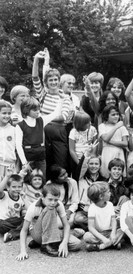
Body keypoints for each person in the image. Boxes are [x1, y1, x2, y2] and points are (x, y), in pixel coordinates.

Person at [32, 48, 73, 177]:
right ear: (46, 82)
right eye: (51, 80)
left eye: (56, 80)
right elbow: (35, 77)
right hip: (43, 133)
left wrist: (43, 117)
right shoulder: (42, 93)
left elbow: (63, 118)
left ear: (59, 81)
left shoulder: (65, 97)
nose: (54, 82)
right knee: (45, 162)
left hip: (59, 133)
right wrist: (36, 59)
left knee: (60, 163)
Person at [16, 184, 82, 260]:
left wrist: (64, 243)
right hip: (37, 233)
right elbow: (24, 230)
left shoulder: (59, 204)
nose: (53, 202)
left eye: (56, 200)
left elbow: (66, 225)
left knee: (77, 244)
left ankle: (43, 243)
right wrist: (23, 251)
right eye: (50, 199)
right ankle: (45, 245)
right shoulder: (33, 207)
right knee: (50, 209)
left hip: (52, 231)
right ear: (42, 197)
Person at [16, 97, 64, 178]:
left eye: (39, 109)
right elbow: (18, 145)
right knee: (28, 181)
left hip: (41, 157)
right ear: (26, 110)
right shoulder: (20, 125)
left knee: (42, 180)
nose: (38, 112)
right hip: (28, 158)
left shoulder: (41, 120)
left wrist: (61, 100)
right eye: (35, 110)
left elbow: (56, 113)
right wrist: (24, 163)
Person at [83, 181, 123, 251]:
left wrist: (113, 233)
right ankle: (112, 244)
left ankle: (100, 246)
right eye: (108, 192)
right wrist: (103, 238)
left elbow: (113, 221)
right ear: (101, 196)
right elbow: (91, 228)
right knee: (87, 236)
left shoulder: (110, 204)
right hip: (98, 233)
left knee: (122, 230)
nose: (110, 193)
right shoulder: (92, 208)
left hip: (109, 232)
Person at [74, 148, 106, 231]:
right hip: (83, 210)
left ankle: (91, 228)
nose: (93, 166)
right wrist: (86, 154)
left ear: (100, 166)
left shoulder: (103, 180)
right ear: (87, 165)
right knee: (78, 219)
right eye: (91, 163)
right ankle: (96, 227)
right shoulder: (81, 177)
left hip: (98, 209)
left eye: (96, 164)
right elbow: (81, 167)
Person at [98, 105, 128, 178]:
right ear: (106, 116)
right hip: (107, 152)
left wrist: (109, 142)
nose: (116, 116)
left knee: (118, 173)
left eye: (117, 114)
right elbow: (105, 138)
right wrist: (116, 127)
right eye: (113, 115)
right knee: (106, 174)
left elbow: (125, 143)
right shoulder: (102, 126)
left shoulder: (122, 127)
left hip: (118, 152)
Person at [68, 111, 97, 181]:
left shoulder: (92, 129)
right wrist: (79, 164)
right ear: (80, 124)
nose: (90, 123)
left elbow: (95, 143)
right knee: (78, 178)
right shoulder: (73, 132)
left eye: (90, 121)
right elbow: (71, 150)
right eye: (87, 122)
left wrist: (92, 157)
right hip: (77, 159)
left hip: (89, 158)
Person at [0, 168, 25, 243]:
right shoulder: (5, 195)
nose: (17, 189)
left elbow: (24, 210)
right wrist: (7, 176)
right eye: (14, 187)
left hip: (15, 221)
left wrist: (25, 199)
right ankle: (20, 231)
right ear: (7, 188)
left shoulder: (21, 197)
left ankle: (11, 234)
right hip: (3, 222)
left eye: (19, 187)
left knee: (28, 220)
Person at [0, 100, 16, 179]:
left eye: (9, 113)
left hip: (11, 166)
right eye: (4, 113)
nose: (7, 116)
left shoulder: (14, 129)